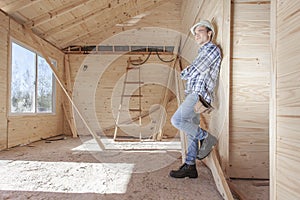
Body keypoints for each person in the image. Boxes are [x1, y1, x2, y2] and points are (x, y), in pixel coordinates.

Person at [169, 20, 222, 178]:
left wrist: (186, 72)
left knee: (177, 121)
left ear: (209, 33)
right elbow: (193, 71)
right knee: (190, 131)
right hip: (193, 94)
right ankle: (190, 166)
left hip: (198, 94)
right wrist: (189, 71)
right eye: (195, 33)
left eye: (200, 31)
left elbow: (192, 72)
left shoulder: (212, 50)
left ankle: (206, 137)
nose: (196, 35)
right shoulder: (202, 52)